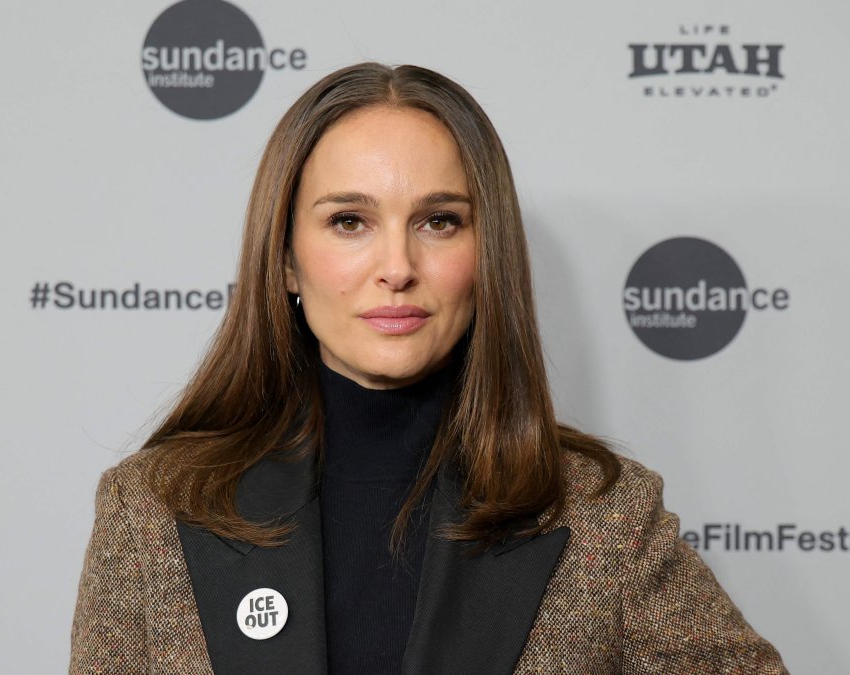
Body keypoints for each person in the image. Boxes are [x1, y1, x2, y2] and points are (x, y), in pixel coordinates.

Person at [70, 62, 788, 674]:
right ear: (286, 259)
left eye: (438, 220)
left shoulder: (604, 515)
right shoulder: (153, 509)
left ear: (488, 252)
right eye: (349, 221)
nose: (397, 268)